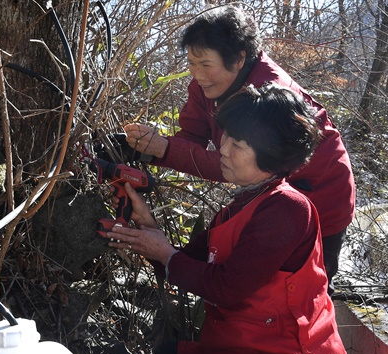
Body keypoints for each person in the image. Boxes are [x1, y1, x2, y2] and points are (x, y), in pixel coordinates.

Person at [107, 84, 358, 354]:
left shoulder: (288, 208)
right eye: (225, 137)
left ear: (272, 155)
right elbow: (188, 263)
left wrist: (166, 253)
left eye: (236, 144)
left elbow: (225, 287)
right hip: (241, 352)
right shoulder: (242, 204)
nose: (222, 149)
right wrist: (149, 229)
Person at [122, 4, 355, 294]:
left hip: (321, 191)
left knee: (303, 286)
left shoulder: (264, 99)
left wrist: (165, 149)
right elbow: (192, 137)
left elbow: (237, 164)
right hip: (262, 190)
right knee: (244, 284)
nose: (197, 74)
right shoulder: (207, 85)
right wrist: (145, 149)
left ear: (239, 59)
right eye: (192, 64)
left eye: (205, 64)